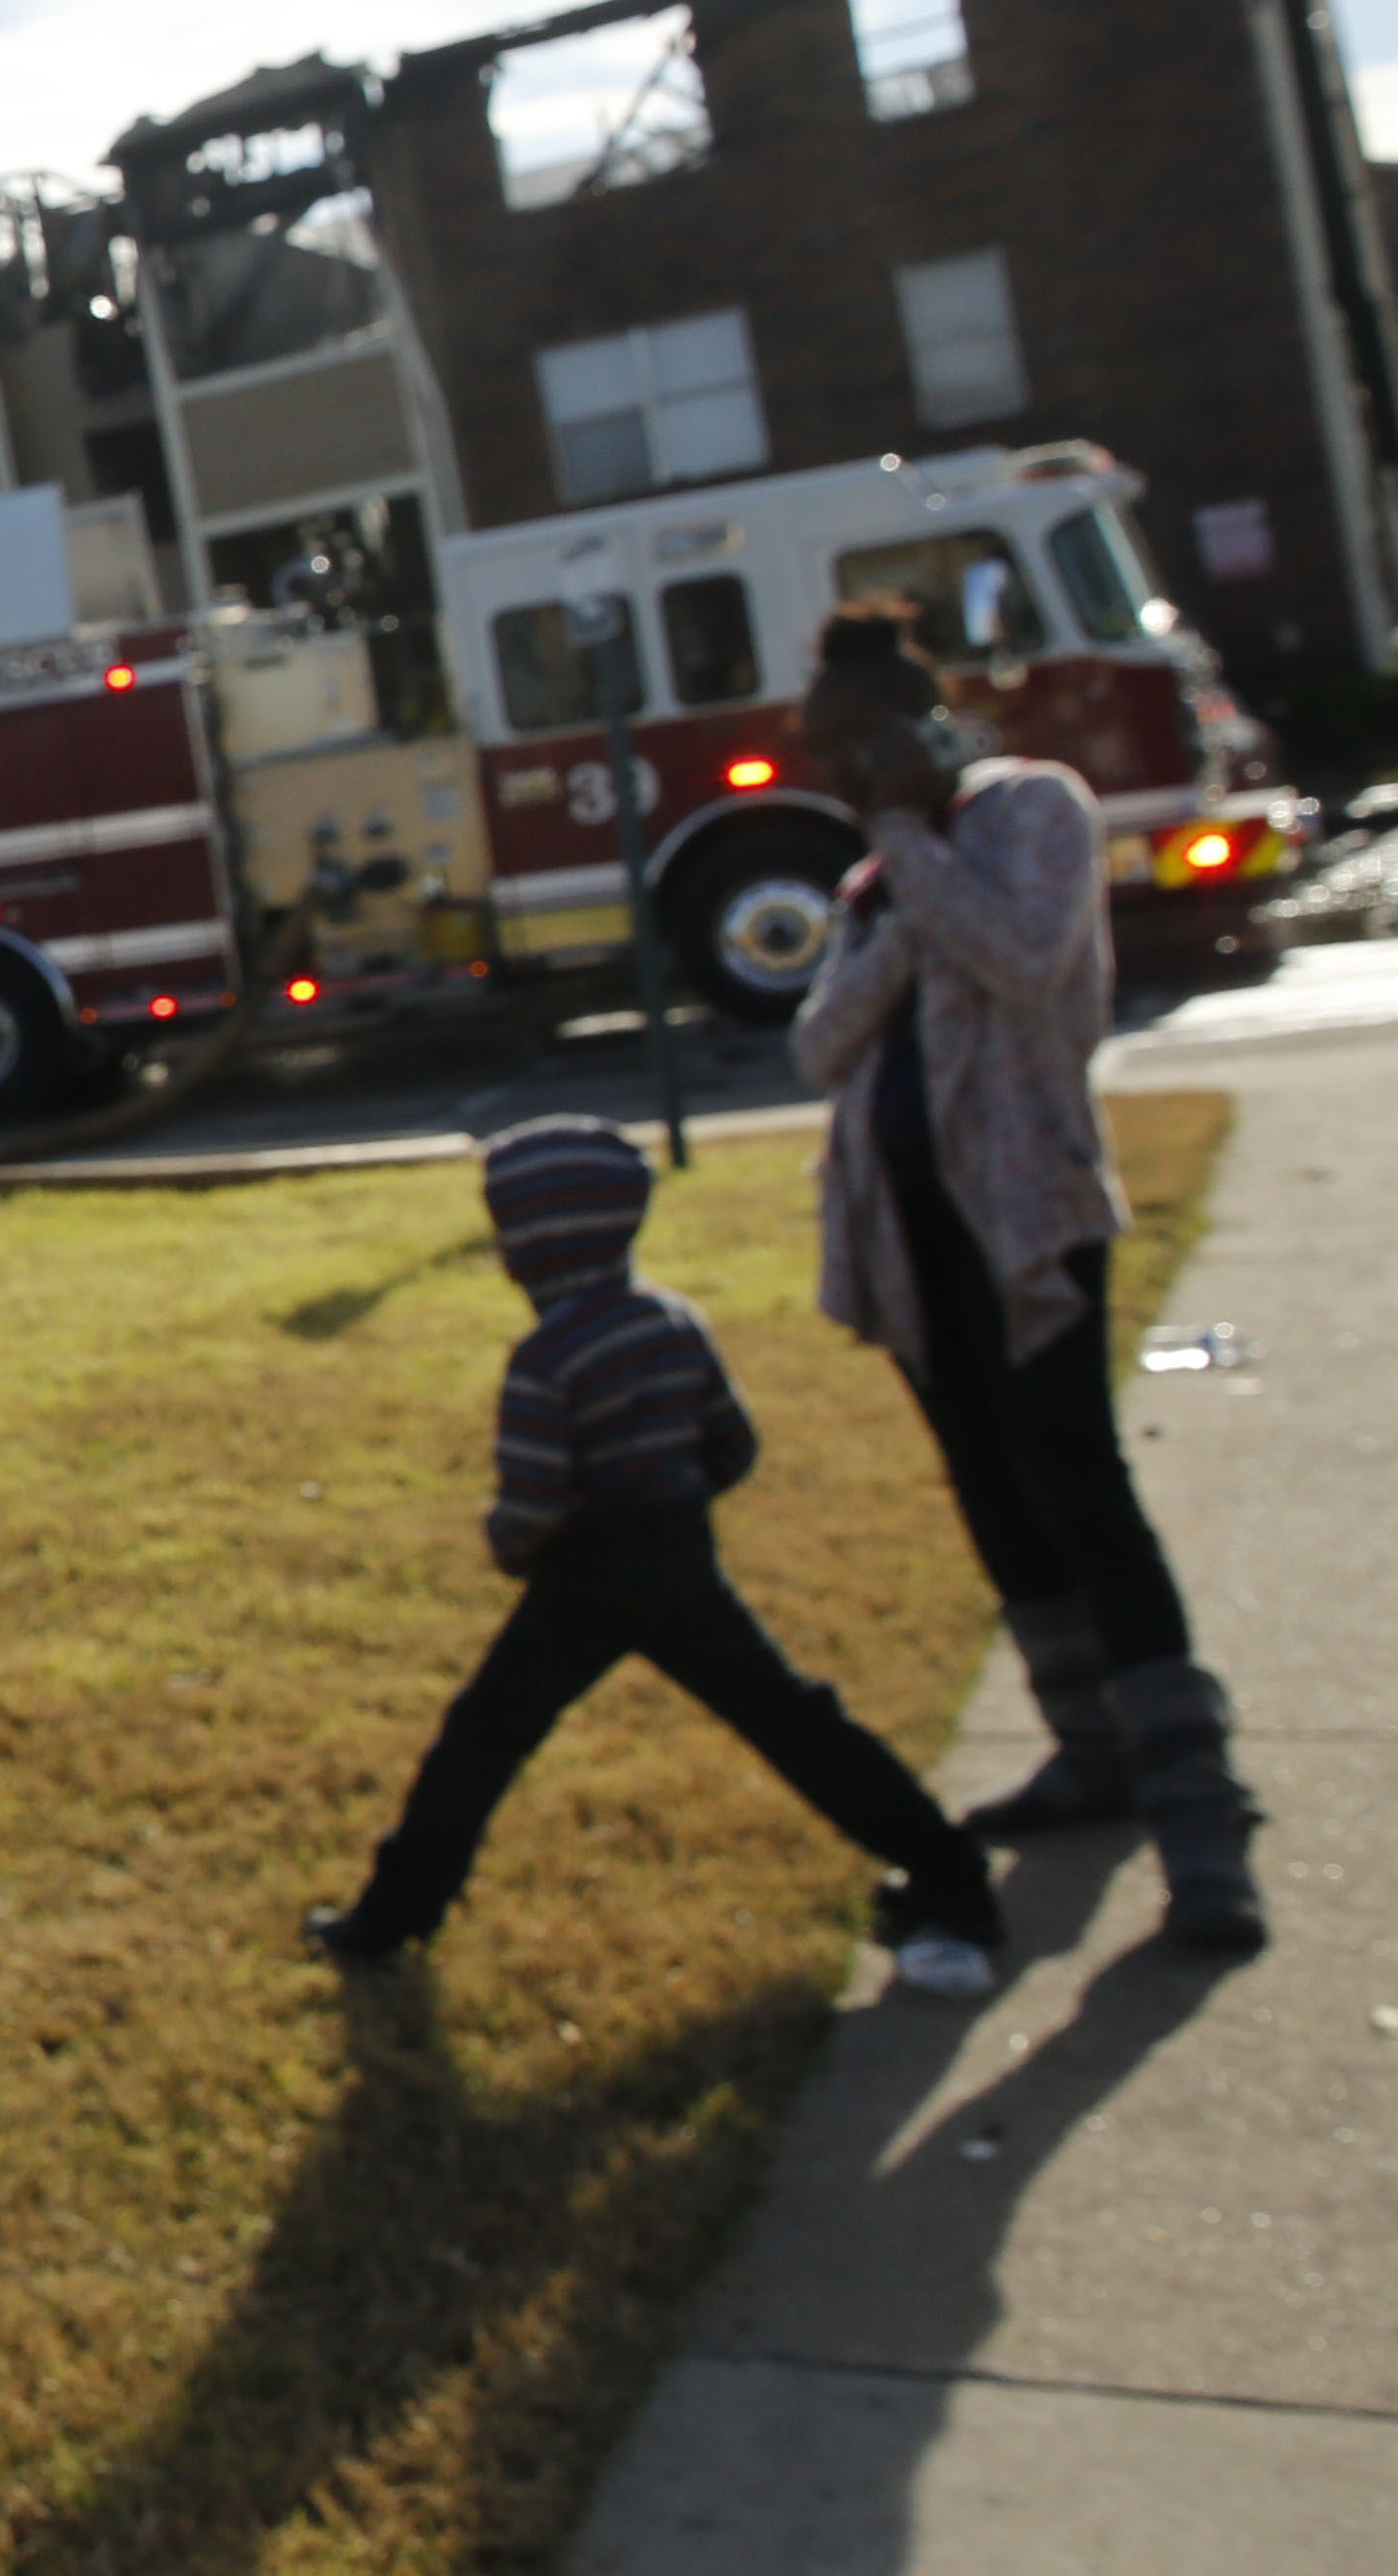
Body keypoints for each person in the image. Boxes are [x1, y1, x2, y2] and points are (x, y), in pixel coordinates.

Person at [787, 605, 1265, 1951]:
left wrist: (906, 845)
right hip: (908, 1236)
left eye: (854, 745)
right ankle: (1088, 1749)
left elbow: (1023, 958)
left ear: (921, 723)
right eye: (827, 751)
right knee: (993, 1492)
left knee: (1077, 1482)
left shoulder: (1028, 811)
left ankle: (1198, 1809)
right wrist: (893, 902)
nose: (837, 774)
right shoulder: (873, 883)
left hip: (1025, 1215)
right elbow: (819, 1044)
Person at [308, 1120, 1002, 1996]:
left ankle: (390, 1916)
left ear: (532, 1243)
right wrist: (675, 1494)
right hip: (681, 1560)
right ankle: (948, 1871)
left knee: (481, 1741)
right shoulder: (674, 1323)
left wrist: (507, 1544)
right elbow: (733, 1444)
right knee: (794, 1720)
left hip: (582, 1580)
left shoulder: (544, 1360)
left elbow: (534, 1503)